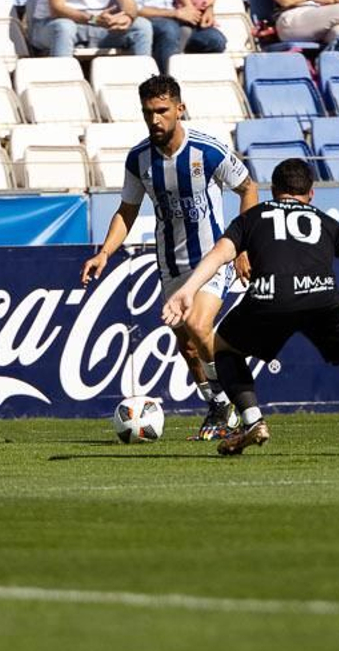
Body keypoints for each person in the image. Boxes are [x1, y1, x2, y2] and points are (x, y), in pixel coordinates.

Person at [161, 157, 339, 458]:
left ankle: (253, 421)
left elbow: (220, 253)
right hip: (321, 297)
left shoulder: (254, 216)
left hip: (269, 297)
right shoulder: (322, 219)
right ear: (311, 193)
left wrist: (188, 289)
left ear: (273, 191)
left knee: (223, 348)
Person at [82, 74, 257, 440]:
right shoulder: (139, 159)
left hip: (211, 259)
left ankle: (234, 402)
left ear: (180, 109)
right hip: (171, 264)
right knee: (188, 347)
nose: (155, 120)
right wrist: (104, 253)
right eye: (148, 112)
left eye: (162, 111)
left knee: (198, 323)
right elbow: (126, 211)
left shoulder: (207, 151)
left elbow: (248, 187)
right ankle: (218, 405)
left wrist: (242, 247)